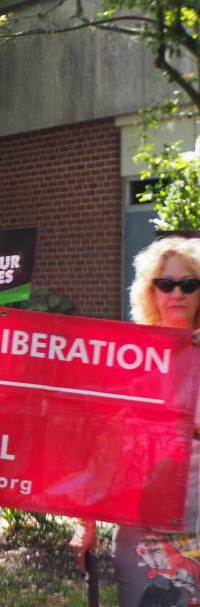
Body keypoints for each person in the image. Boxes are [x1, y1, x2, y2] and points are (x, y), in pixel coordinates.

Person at [70, 236, 200, 607]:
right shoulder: (128, 358)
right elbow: (102, 451)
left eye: (189, 284)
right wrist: (87, 523)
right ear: (150, 291)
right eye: (166, 283)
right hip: (143, 527)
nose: (177, 293)